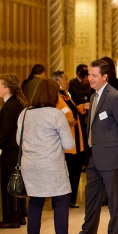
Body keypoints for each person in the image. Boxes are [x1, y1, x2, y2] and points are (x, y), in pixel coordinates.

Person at [70, 59, 118, 234]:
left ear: (105, 77)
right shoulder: (93, 96)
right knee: (91, 197)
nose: (90, 78)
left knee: (114, 198)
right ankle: (88, 233)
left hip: (111, 156)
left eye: (94, 75)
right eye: (89, 75)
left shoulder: (115, 97)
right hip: (94, 156)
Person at [18, 79, 81, 234]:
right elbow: (69, 143)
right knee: (61, 202)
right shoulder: (56, 115)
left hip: (30, 165)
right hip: (51, 165)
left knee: (35, 203)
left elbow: (18, 140)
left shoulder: (24, 113)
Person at [0, 73, 27, 228]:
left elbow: (5, 131)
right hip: (14, 151)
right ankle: (19, 216)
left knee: (11, 184)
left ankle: (13, 219)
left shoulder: (11, 106)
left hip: (11, 152)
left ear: (7, 88)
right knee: (16, 183)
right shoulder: (13, 103)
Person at [52, 70, 88, 209]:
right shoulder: (54, 96)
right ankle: (62, 200)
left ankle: (71, 199)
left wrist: (81, 107)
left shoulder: (66, 95)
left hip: (76, 138)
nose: (68, 81)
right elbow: (54, 115)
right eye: (65, 78)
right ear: (57, 81)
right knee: (66, 171)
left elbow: (71, 110)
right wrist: (65, 121)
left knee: (75, 169)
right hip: (65, 141)